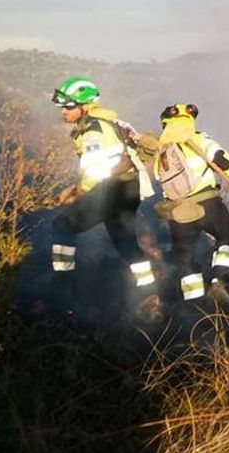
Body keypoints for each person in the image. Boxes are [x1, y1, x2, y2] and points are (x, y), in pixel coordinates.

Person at [50, 76, 156, 318]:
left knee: (62, 226)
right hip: (129, 188)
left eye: (68, 107)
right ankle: (150, 289)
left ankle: (62, 287)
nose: (63, 112)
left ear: (84, 106)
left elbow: (96, 169)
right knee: (125, 241)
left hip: (114, 189)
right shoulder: (109, 121)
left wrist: (77, 192)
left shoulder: (93, 130)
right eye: (61, 107)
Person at [140, 103, 229, 310]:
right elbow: (223, 160)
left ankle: (194, 304)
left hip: (177, 211)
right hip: (208, 203)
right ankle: (222, 280)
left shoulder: (161, 150)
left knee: (185, 255)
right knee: (227, 237)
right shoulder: (199, 139)